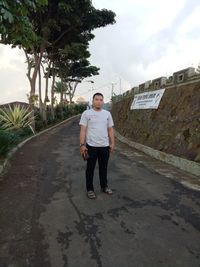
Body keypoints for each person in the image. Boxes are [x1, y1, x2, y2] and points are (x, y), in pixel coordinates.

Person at [79, 93, 115, 199]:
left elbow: (110, 129)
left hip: (105, 146)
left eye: (101, 99)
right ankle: (90, 189)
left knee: (103, 168)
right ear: (93, 101)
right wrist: (82, 144)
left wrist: (112, 143)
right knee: (90, 169)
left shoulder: (107, 114)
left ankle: (104, 186)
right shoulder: (86, 113)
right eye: (96, 99)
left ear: (103, 101)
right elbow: (83, 130)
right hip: (91, 146)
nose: (99, 101)